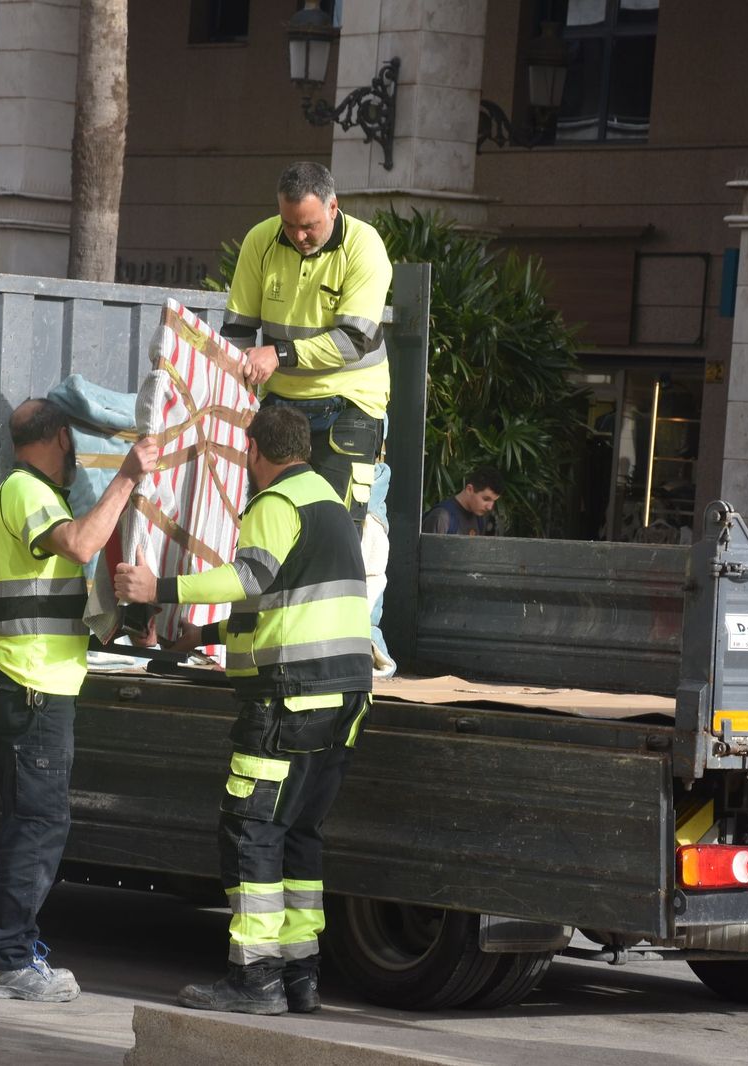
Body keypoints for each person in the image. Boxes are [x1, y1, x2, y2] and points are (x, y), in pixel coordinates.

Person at [114, 405, 371, 1016]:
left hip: (291, 699)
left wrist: (161, 591)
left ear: (254, 450)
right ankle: (300, 975)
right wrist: (204, 636)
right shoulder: (328, 501)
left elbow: (251, 578)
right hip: (343, 698)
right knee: (300, 837)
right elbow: (286, 600)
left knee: (252, 831)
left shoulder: (274, 504)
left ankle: (254, 979)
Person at [0, 397, 158, 1002]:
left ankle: (11, 953)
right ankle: (8, 959)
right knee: (39, 823)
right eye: (74, 439)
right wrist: (127, 476)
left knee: (35, 821)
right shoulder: (25, 492)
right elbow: (80, 545)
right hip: (31, 684)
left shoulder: (32, 494)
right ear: (57, 436)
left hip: (36, 681)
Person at [222, 160, 393, 536]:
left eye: (309, 225)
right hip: (280, 405)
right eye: (289, 224)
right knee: (266, 527)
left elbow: (355, 340)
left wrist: (278, 354)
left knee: (333, 530)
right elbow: (237, 329)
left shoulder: (365, 247)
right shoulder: (260, 240)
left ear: (333, 208)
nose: (298, 235)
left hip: (349, 403)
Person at [422, 465, 504, 535]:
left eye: (494, 501)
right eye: (486, 499)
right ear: (469, 489)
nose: (490, 507)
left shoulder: (481, 519)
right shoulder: (442, 518)